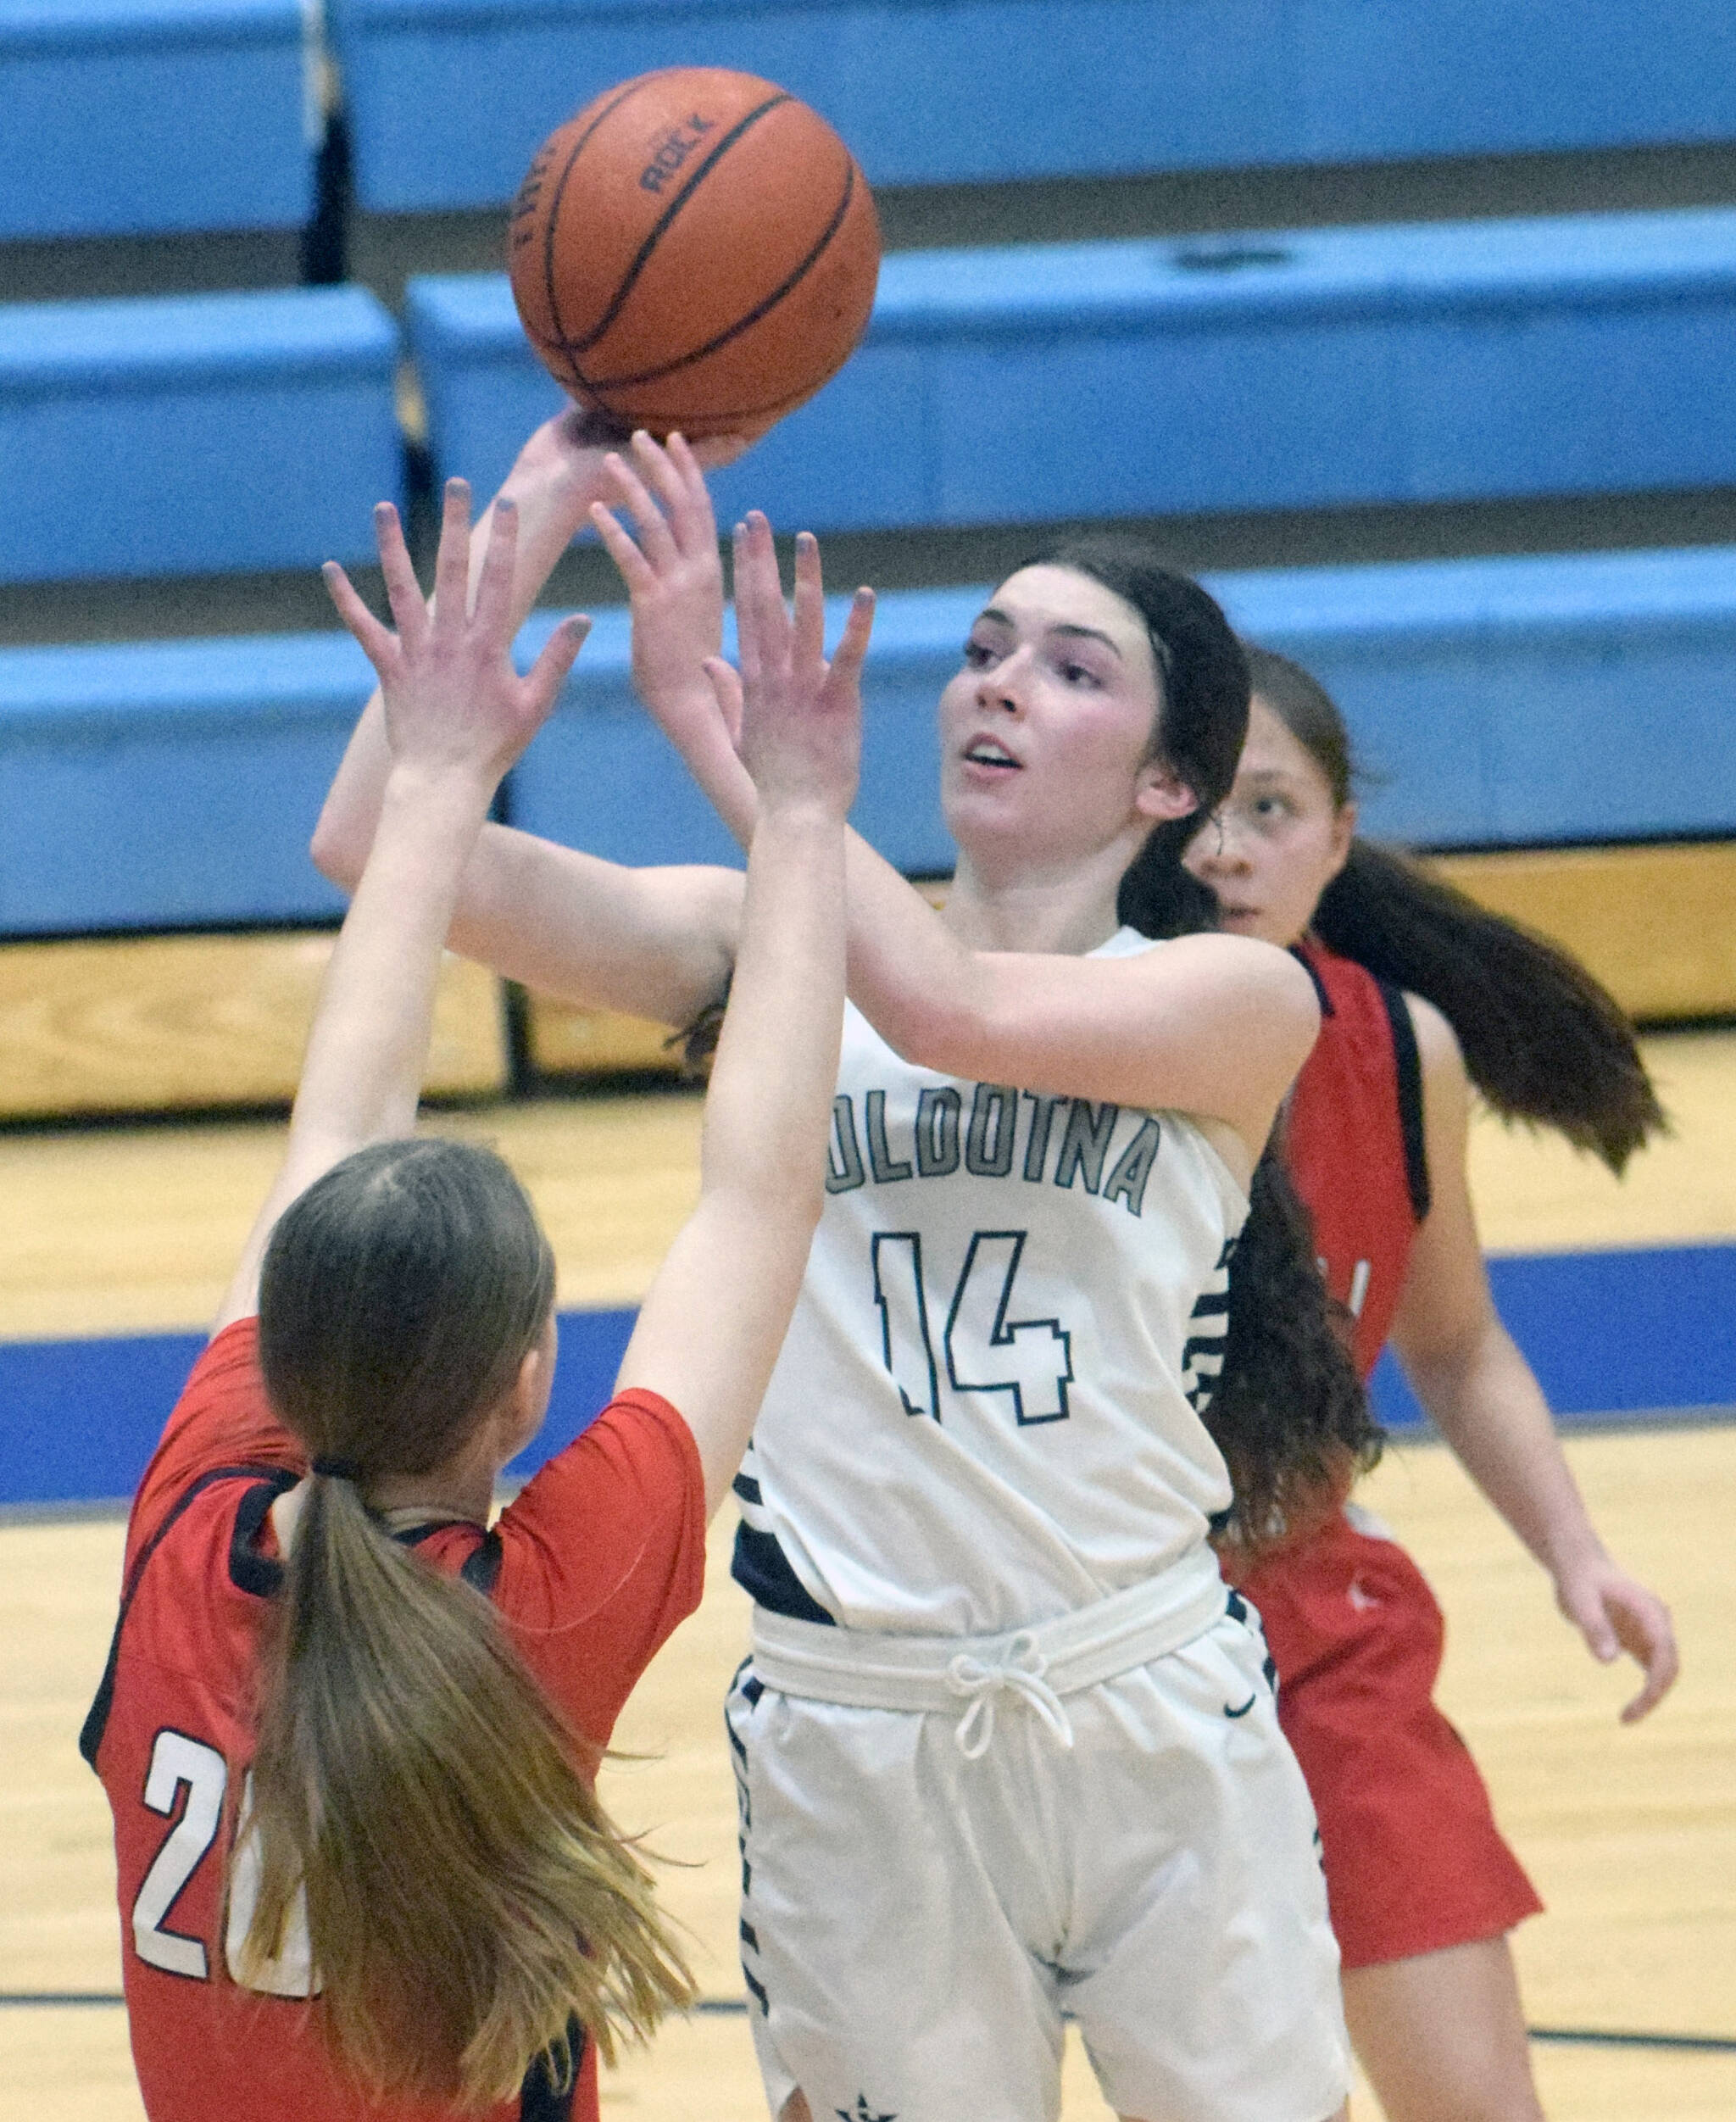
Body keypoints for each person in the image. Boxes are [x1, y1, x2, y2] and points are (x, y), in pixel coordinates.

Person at [312, 423, 1376, 2122]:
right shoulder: (761, 944)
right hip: (850, 1719)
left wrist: (717, 735)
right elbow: (380, 842)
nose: (999, 685)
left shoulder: (1235, 998)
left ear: (1168, 784)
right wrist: (528, 505)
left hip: (1143, 1690)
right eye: (981, 652)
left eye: (1070, 668)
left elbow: (960, 1015)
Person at [81, 465, 860, 2122]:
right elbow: (761, 1193)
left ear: (281, 1354)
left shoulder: (186, 1528)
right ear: (527, 1381)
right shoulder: (536, 1613)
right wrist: (798, 816)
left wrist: (437, 769)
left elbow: (340, 1121)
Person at [1182, 645, 1681, 2122]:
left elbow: (1455, 1345)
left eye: (1271, 808)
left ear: (1338, 838)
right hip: (1111, 1643)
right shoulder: (1069, 1034)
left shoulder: (1403, 1048)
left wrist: (1577, 1553)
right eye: (1198, 808)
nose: (1227, 847)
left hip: (1318, 1624)